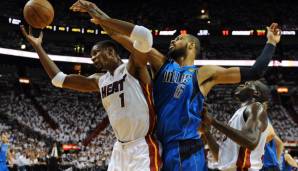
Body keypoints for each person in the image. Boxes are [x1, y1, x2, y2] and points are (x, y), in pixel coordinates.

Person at [70, 1, 281, 170]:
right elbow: (122, 36)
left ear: (191, 45)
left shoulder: (204, 73)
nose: (172, 41)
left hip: (187, 147)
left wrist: (271, 42)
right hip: (160, 147)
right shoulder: (161, 63)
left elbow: (254, 71)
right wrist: (97, 13)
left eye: (178, 38)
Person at [21, 16, 161, 170]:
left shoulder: (133, 68)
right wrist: (38, 47)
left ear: (111, 51)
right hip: (119, 149)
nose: (93, 58)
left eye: (96, 53)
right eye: (92, 56)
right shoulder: (98, 80)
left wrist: (103, 19)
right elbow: (58, 79)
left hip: (142, 145)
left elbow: (145, 38)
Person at [200, 81, 276, 170]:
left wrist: (213, 121)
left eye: (247, 84)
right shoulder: (240, 113)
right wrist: (207, 131)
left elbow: (251, 141)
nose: (241, 84)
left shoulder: (256, 107)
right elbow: (221, 159)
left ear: (256, 93)